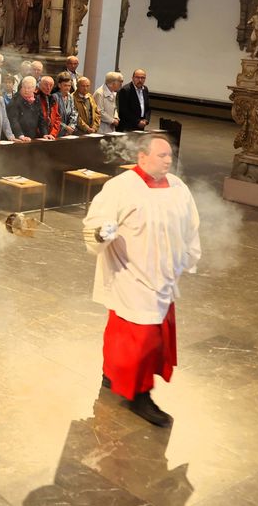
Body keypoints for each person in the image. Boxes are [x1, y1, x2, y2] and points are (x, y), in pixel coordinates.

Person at [83, 135, 200, 427]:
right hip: (131, 275)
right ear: (142, 157)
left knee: (127, 333)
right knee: (141, 340)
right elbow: (95, 223)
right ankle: (139, 396)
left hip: (162, 275)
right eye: (161, 155)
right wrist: (101, 232)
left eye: (169, 155)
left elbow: (190, 225)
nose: (167, 159)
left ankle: (111, 375)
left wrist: (186, 256)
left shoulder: (178, 188)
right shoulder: (121, 187)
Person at [6, 76, 42, 142]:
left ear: (35, 89)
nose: (26, 90)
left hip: (32, 137)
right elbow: (13, 120)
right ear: (21, 86)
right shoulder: (15, 100)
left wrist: (45, 134)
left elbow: (41, 119)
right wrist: (20, 135)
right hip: (18, 138)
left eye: (29, 88)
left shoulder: (37, 100)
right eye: (24, 87)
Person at [55, 72, 77, 137]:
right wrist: (66, 128)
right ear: (59, 85)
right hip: (57, 132)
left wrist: (71, 127)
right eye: (65, 85)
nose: (67, 88)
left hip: (68, 133)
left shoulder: (70, 97)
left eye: (69, 85)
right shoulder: (55, 97)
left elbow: (74, 113)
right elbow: (54, 117)